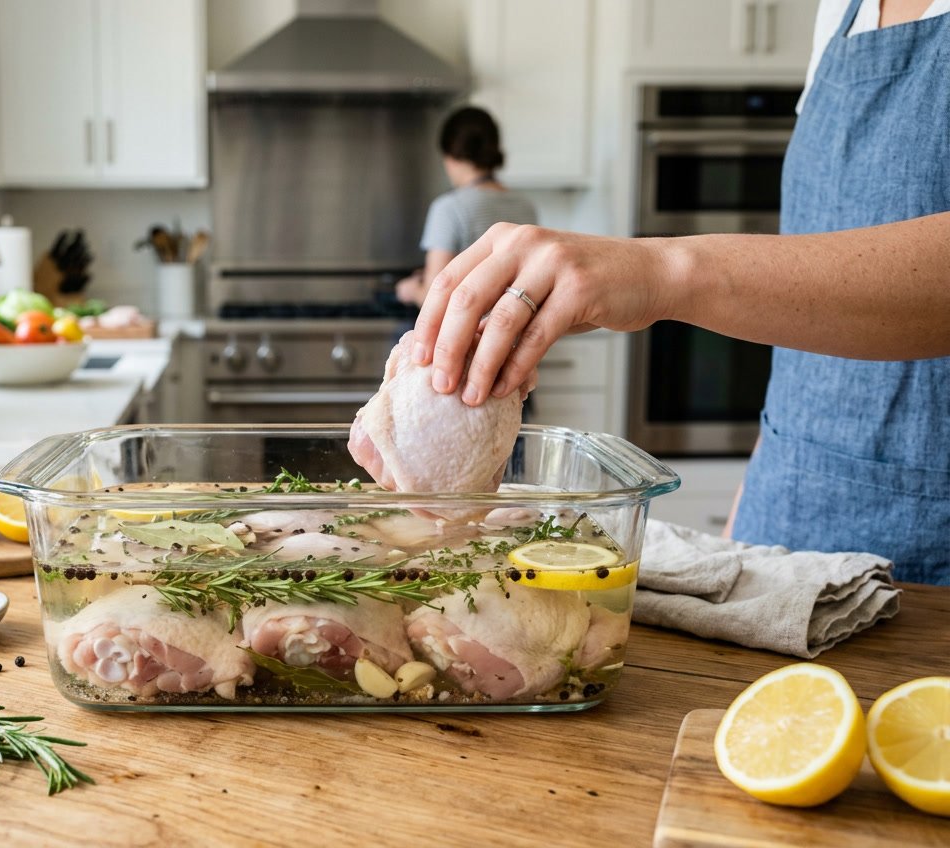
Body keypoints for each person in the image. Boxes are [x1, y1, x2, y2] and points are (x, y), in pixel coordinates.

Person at [408, 0, 950, 585]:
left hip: (929, 552)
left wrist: (661, 269)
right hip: (782, 516)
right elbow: (812, 342)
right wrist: (751, 495)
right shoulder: (840, 10)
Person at [395, 107, 538, 309]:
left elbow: (433, 297)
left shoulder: (449, 208)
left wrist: (410, 290)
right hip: (515, 323)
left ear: (450, 156)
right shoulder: (525, 206)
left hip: (469, 326)